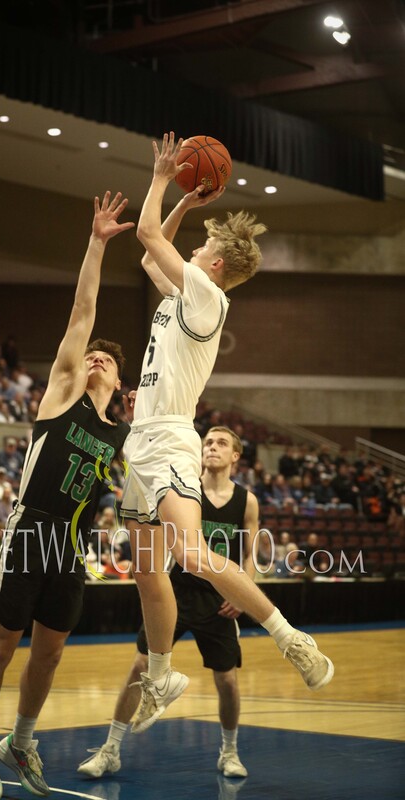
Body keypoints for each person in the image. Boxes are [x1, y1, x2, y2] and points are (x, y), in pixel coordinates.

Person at [120, 132, 334, 733]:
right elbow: (146, 257)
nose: (195, 244)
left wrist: (166, 176)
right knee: (147, 569)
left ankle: (291, 638)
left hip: (167, 439)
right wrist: (190, 203)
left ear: (214, 265)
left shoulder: (207, 295)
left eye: (205, 243)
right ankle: (160, 675)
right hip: (140, 444)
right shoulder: (185, 295)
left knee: (189, 553)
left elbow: (145, 235)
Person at [0, 191, 133, 800]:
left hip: (72, 544)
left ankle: (22, 739)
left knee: (50, 654)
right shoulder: (61, 394)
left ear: (118, 381)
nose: (95, 358)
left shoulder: (119, 433)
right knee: (0, 647)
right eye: (91, 355)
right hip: (29, 528)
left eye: (107, 362)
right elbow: (82, 311)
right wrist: (96, 243)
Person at [78, 426, 258, 779]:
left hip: (219, 599)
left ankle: (229, 751)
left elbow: (250, 555)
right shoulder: (183, 489)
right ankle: (110, 749)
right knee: (140, 666)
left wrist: (243, 592)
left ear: (236, 456)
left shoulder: (246, 501)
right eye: (207, 442)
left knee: (228, 681)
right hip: (176, 590)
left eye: (221, 443)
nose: (211, 448)